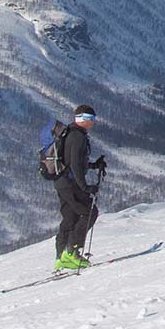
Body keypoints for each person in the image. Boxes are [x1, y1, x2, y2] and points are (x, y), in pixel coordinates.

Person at [54, 105, 106, 270]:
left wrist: (92, 165)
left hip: (62, 182)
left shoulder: (71, 133)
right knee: (89, 212)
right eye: (91, 119)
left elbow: (72, 162)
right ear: (83, 119)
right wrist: (85, 187)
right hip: (71, 184)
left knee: (69, 217)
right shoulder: (78, 137)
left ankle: (61, 256)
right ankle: (71, 252)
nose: (92, 123)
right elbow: (75, 164)